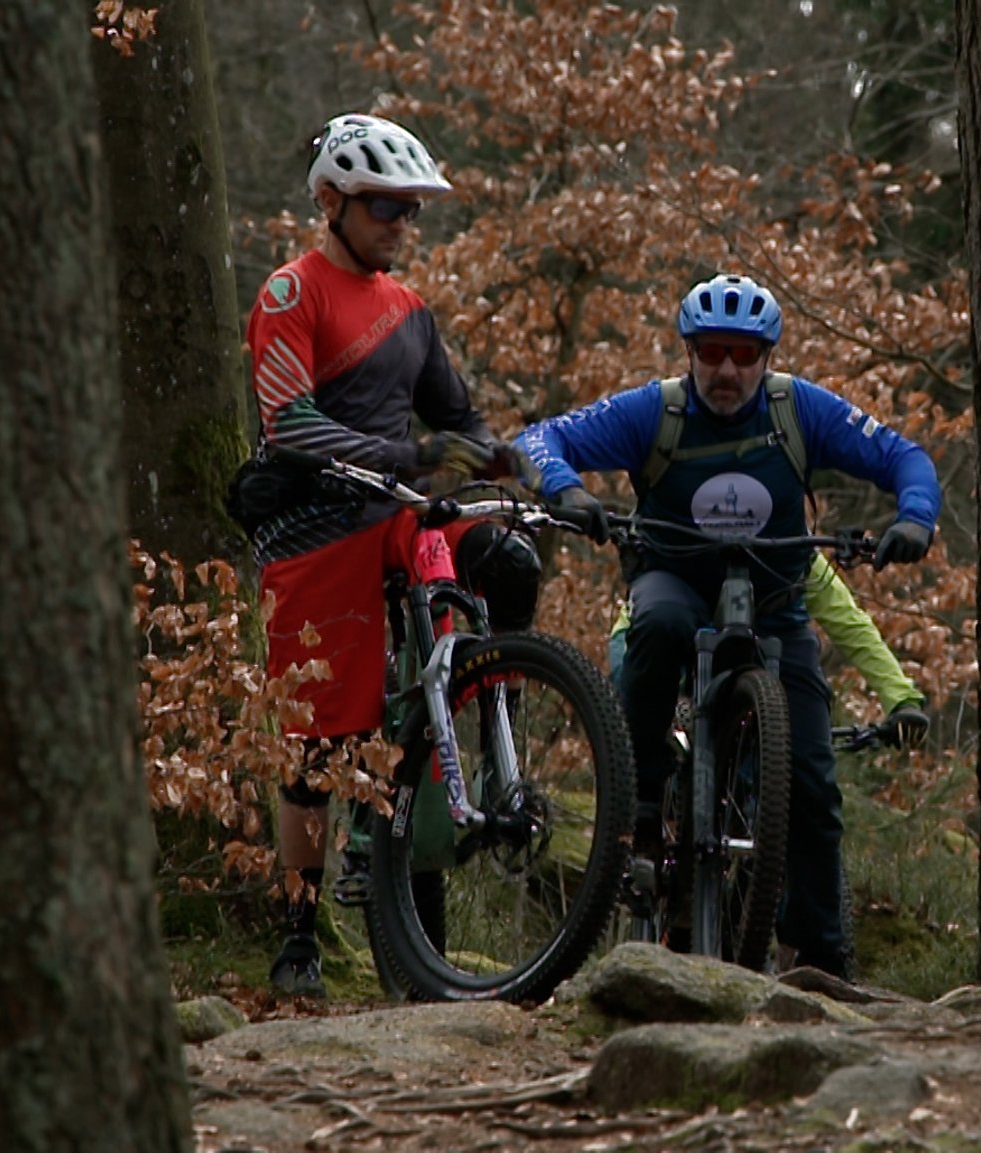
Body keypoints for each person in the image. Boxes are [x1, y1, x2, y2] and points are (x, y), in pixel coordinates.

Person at [517, 273, 941, 977]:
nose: (727, 370)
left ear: (768, 356)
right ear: (688, 350)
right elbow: (540, 438)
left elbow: (906, 456)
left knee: (813, 783)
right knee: (655, 623)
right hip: (675, 581)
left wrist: (915, 516)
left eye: (745, 355)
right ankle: (644, 795)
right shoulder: (657, 410)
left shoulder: (798, 409)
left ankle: (823, 961)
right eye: (712, 351)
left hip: (775, 603)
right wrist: (566, 489)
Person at [247, 112, 540, 997]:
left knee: (511, 562)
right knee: (317, 742)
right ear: (331, 202)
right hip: (316, 519)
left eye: (411, 210)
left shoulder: (411, 310)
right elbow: (288, 422)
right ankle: (300, 933)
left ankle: (492, 740)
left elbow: (457, 415)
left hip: (403, 509)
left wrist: (500, 456)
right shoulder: (290, 294)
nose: (401, 226)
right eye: (385, 208)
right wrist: (406, 455)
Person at [608, 551, 933, 747]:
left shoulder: (795, 557)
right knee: (642, 719)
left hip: (740, 673)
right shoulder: (688, 531)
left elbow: (852, 627)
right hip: (652, 647)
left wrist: (900, 699)